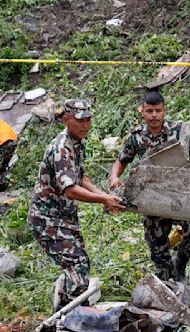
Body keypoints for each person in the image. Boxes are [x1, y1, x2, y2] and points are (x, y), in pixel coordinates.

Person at [28, 99, 125, 310]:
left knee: (78, 262)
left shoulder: (77, 143)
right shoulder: (61, 148)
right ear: (66, 119)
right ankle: (76, 316)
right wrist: (104, 199)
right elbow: (70, 189)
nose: (85, 125)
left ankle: (65, 306)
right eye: (80, 121)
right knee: (76, 262)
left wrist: (105, 197)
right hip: (47, 218)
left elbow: (81, 178)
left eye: (88, 120)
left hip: (63, 216)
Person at [109, 91, 190, 282]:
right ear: (142, 112)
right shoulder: (136, 138)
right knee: (158, 247)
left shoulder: (179, 132)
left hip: (180, 196)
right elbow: (121, 160)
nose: (154, 115)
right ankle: (167, 280)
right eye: (149, 111)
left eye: (157, 110)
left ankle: (180, 262)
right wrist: (114, 177)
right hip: (153, 199)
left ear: (164, 111)